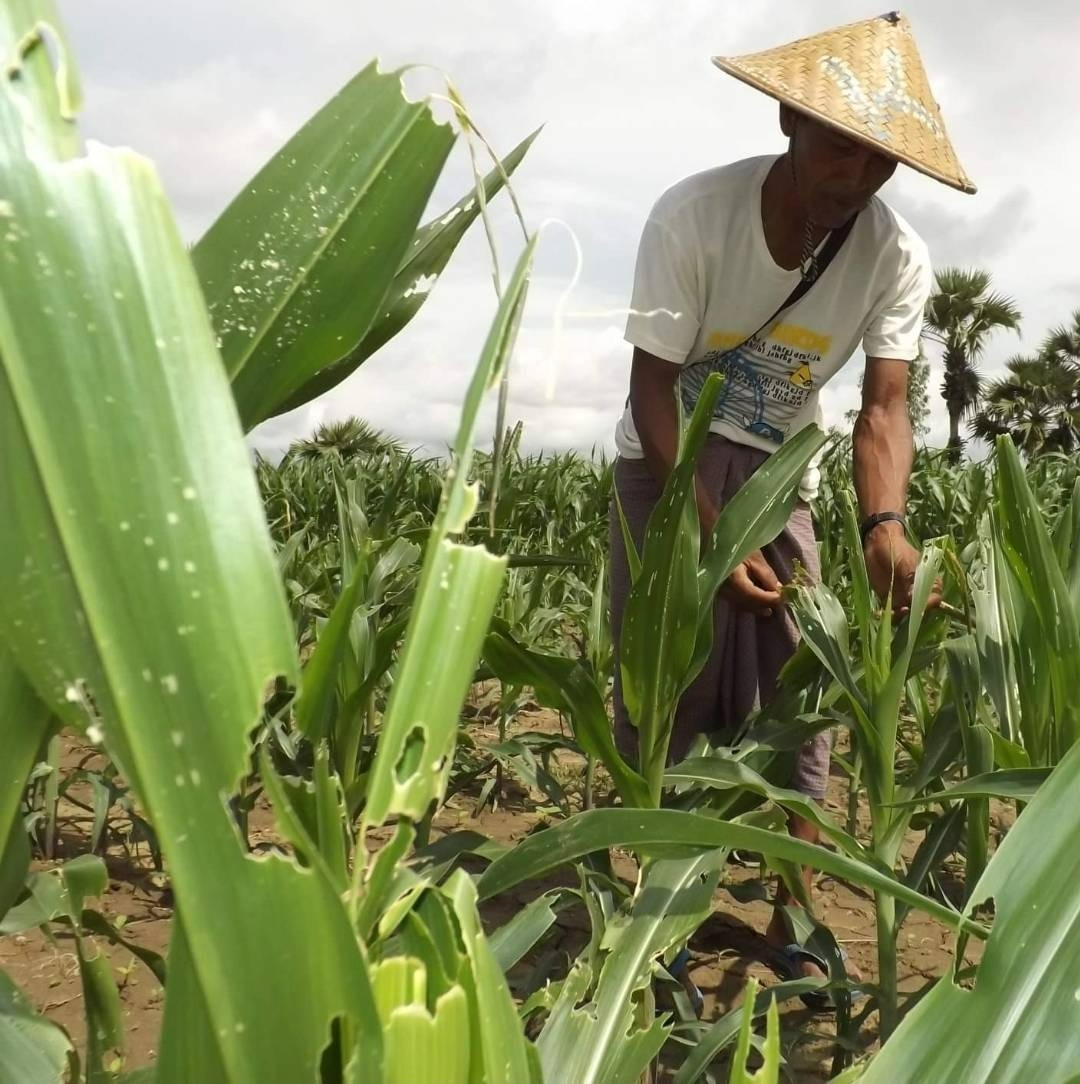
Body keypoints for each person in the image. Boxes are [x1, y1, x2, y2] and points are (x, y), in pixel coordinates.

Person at [609, 12, 971, 994]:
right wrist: (704, 538)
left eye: (879, 161)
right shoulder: (694, 216)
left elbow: (884, 407)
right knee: (667, 687)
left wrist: (886, 531)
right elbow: (651, 392)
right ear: (787, 120)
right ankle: (666, 902)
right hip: (666, 465)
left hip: (781, 475)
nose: (854, 178)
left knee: (802, 693)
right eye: (840, 147)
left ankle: (796, 904)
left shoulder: (894, 257)